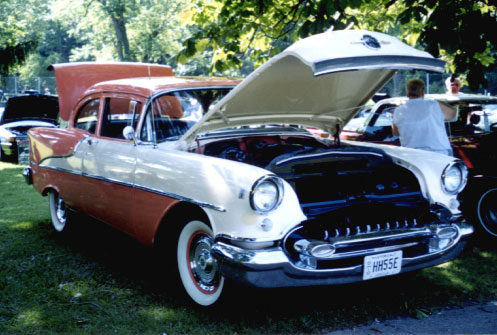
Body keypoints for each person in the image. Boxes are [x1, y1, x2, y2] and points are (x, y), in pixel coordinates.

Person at [392, 78, 456, 156]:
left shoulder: (399, 111)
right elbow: (452, 114)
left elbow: (395, 132)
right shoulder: (433, 105)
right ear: (423, 91)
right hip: (438, 152)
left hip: (411, 153)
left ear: (407, 92)